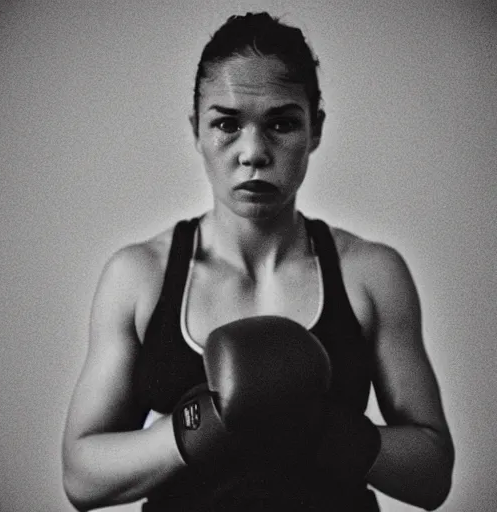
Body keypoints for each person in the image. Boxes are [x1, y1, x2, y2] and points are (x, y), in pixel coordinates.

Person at [62, 12, 455, 512]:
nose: (253, 152)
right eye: (226, 123)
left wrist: (326, 426)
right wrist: (202, 424)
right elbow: (80, 474)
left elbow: (433, 473)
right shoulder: (140, 275)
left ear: (315, 130)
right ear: (196, 131)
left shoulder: (370, 273)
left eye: (282, 124)